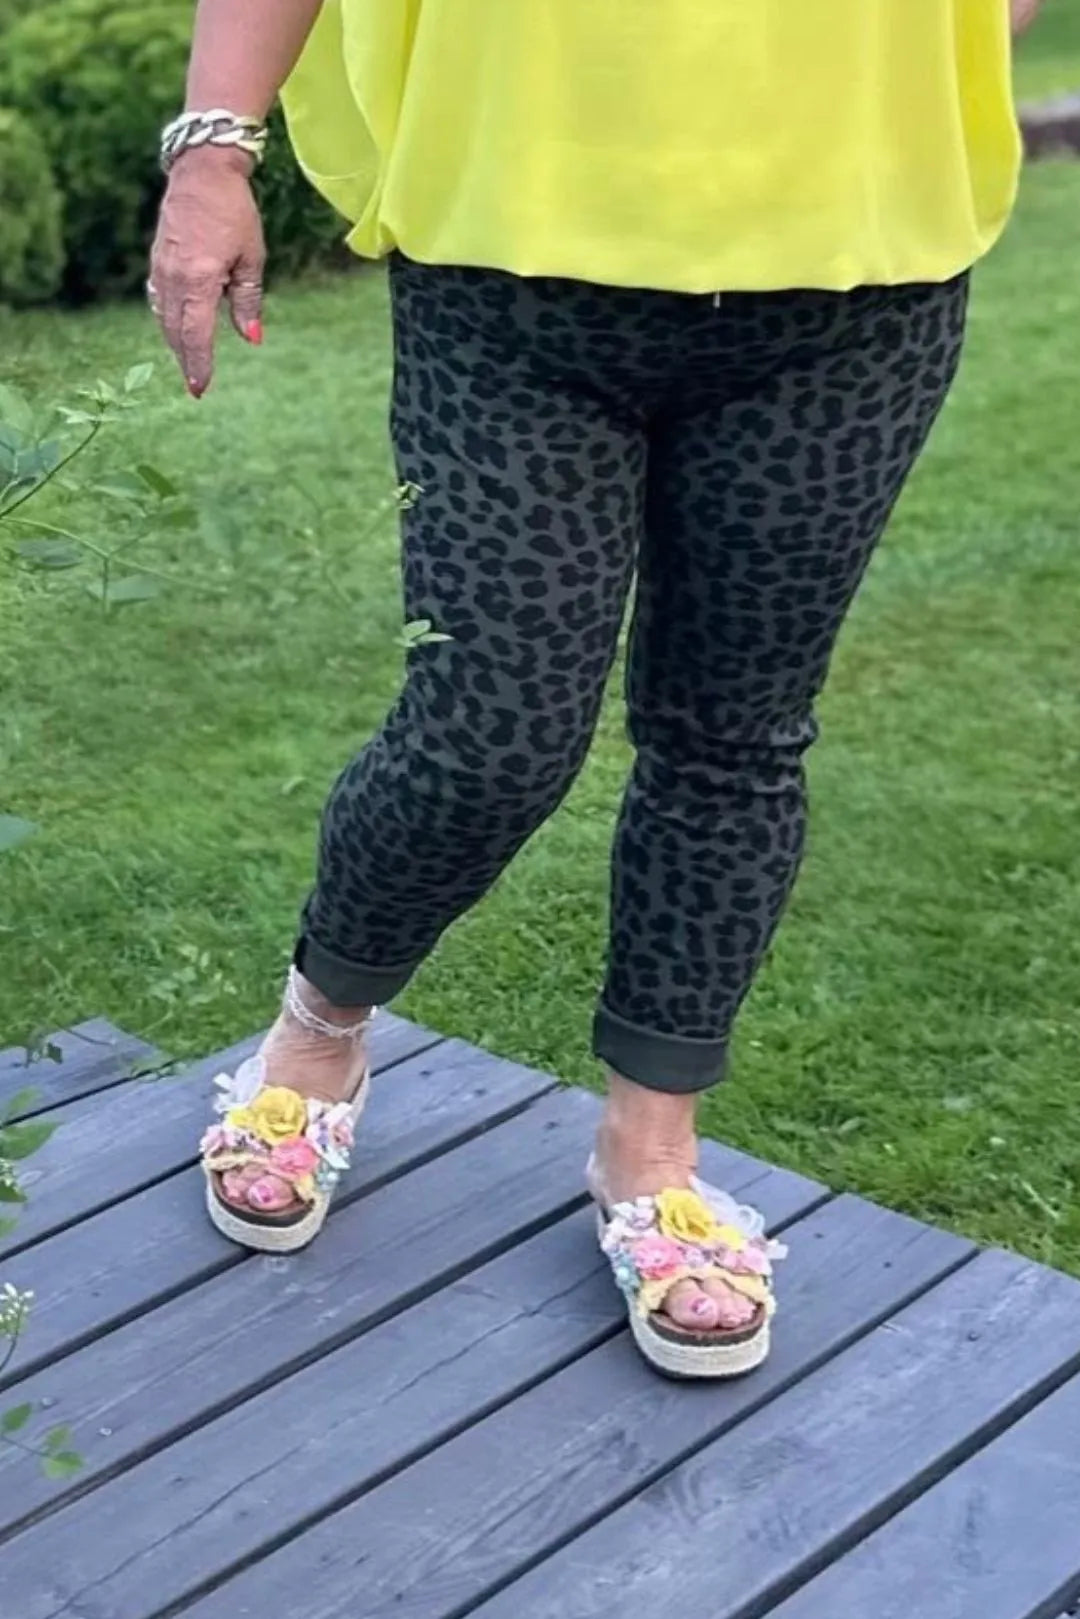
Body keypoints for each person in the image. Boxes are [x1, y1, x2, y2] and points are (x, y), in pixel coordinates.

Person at [151, 0, 1038, 1379]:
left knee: (733, 739)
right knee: (486, 732)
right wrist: (215, 148)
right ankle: (317, 1031)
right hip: (511, 254)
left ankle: (651, 1149)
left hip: (856, 281)